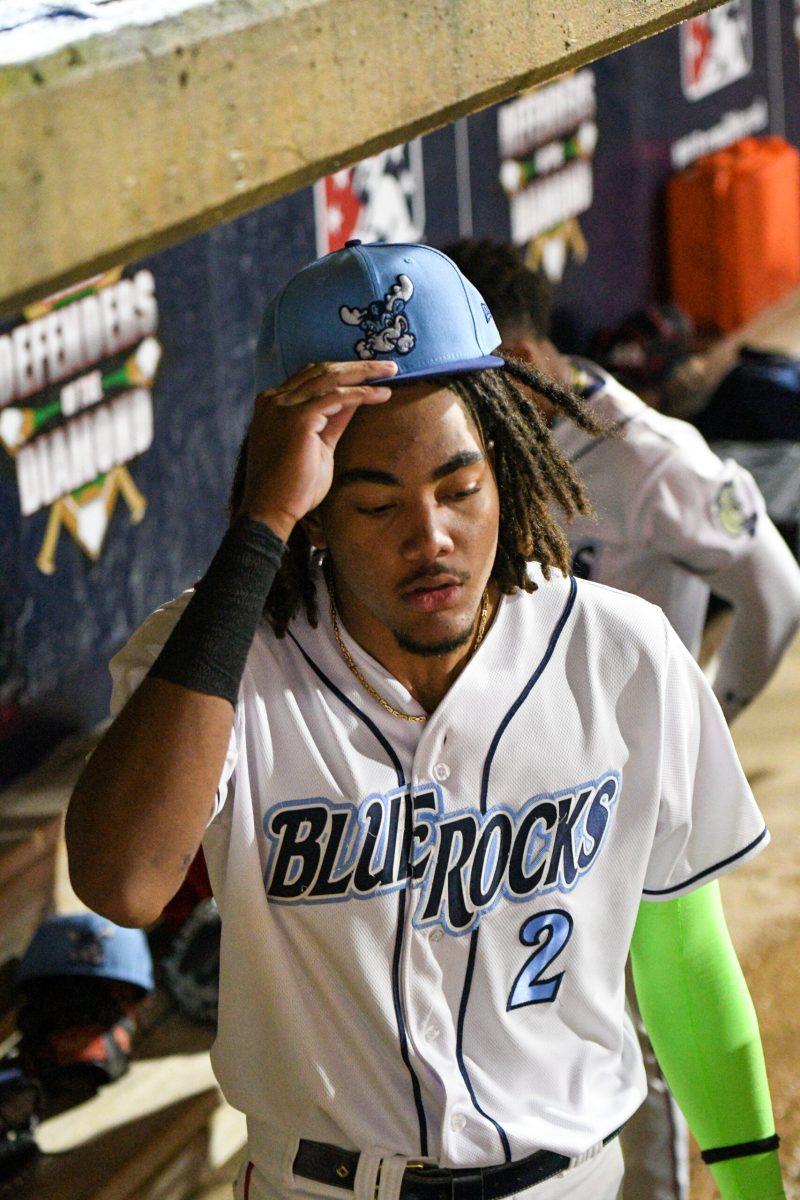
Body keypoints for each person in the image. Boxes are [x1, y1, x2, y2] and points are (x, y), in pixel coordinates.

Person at [65, 241, 786, 1200]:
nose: (431, 536)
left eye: (460, 487)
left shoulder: (622, 656)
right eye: (375, 504)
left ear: (511, 465)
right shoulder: (216, 659)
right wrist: (257, 534)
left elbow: (683, 954)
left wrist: (752, 1183)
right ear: (313, 505)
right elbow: (124, 881)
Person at [443, 237, 800, 1200]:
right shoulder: (484, 451)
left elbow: (776, 588)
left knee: (641, 1020)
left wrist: (703, 730)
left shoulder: (644, 456)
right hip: (503, 789)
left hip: (619, 795)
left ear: (514, 360)